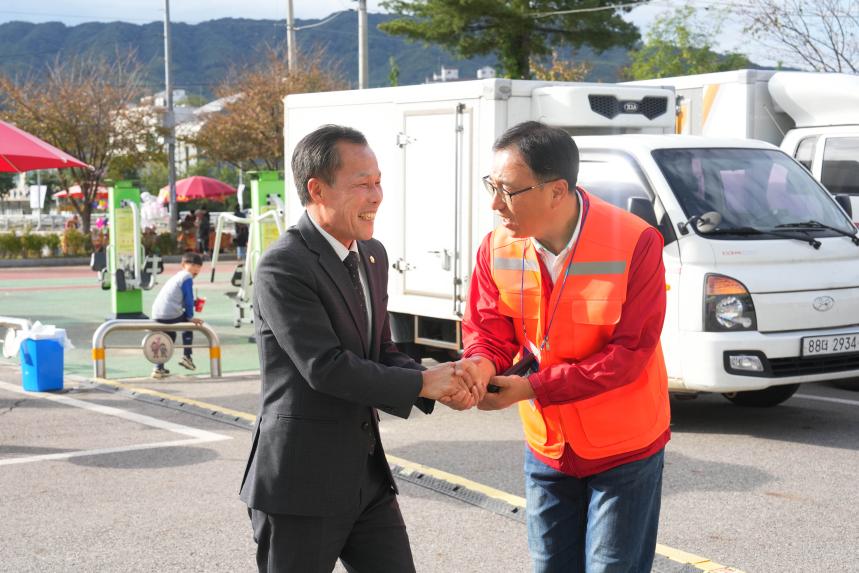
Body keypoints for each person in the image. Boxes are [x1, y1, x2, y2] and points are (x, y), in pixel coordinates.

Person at [239, 124, 483, 573]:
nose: (377, 197)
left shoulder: (372, 254)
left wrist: (445, 380)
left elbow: (380, 349)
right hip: (300, 484)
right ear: (317, 189)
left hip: (367, 477)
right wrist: (422, 384)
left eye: (378, 182)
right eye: (362, 184)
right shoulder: (284, 265)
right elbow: (326, 368)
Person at [461, 121, 670, 573]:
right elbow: (488, 329)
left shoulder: (635, 242)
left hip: (624, 448)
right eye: (492, 187)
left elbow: (629, 356)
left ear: (557, 190)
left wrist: (534, 388)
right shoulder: (496, 247)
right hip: (549, 448)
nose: (495, 204)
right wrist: (479, 366)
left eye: (508, 191)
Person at [150, 252, 204, 379]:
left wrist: (194, 303)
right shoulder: (187, 277)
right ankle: (187, 356)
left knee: (168, 336)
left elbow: (180, 299)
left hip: (157, 313)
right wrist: (190, 317)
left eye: (198, 266)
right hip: (170, 314)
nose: (196, 269)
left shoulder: (178, 276)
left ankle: (158, 368)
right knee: (188, 325)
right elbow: (188, 300)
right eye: (193, 265)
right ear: (183, 264)